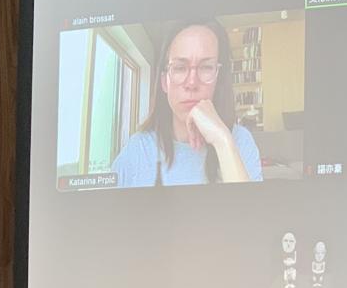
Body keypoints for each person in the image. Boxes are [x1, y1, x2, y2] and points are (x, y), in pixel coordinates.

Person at [110, 20, 262, 187]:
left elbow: (247, 205)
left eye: (206, 67)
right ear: (164, 82)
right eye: (180, 68)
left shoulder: (240, 141)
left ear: (218, 80)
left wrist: (223, 142)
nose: (191, 83)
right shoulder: (137, 150)